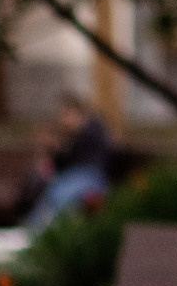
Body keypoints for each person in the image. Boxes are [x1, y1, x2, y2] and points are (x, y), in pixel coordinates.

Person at [21, 94, 113, 232]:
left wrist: (63, 145)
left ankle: (42, 230)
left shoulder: (92, 129)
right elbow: (63, 163)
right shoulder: (74, 134)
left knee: (60, 195)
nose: (64, 120)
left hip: (90, 177)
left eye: (66, 115)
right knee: (52, 192)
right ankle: (34, 228)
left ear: (76, 113)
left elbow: (86, 158)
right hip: (74, 177)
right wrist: (53, 149)